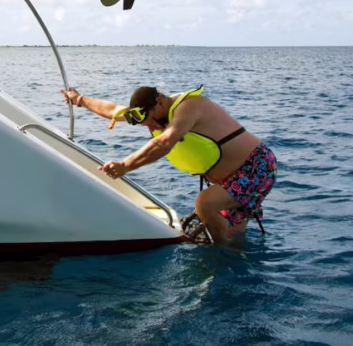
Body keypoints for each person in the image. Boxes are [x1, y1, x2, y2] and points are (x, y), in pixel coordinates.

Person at [60, 85, 277, 244]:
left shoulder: (189, 108)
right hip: (230, 178)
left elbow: (165, 141)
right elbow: (112, 109)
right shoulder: (150, 112)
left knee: (205, 204)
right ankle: (233, 257)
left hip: (256, 166)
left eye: (153, 119)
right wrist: (79, 99)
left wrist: (125, 165)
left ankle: (221, 254)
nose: (153, 126)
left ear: (160, 102)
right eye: (147, 124)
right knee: (234, 236)